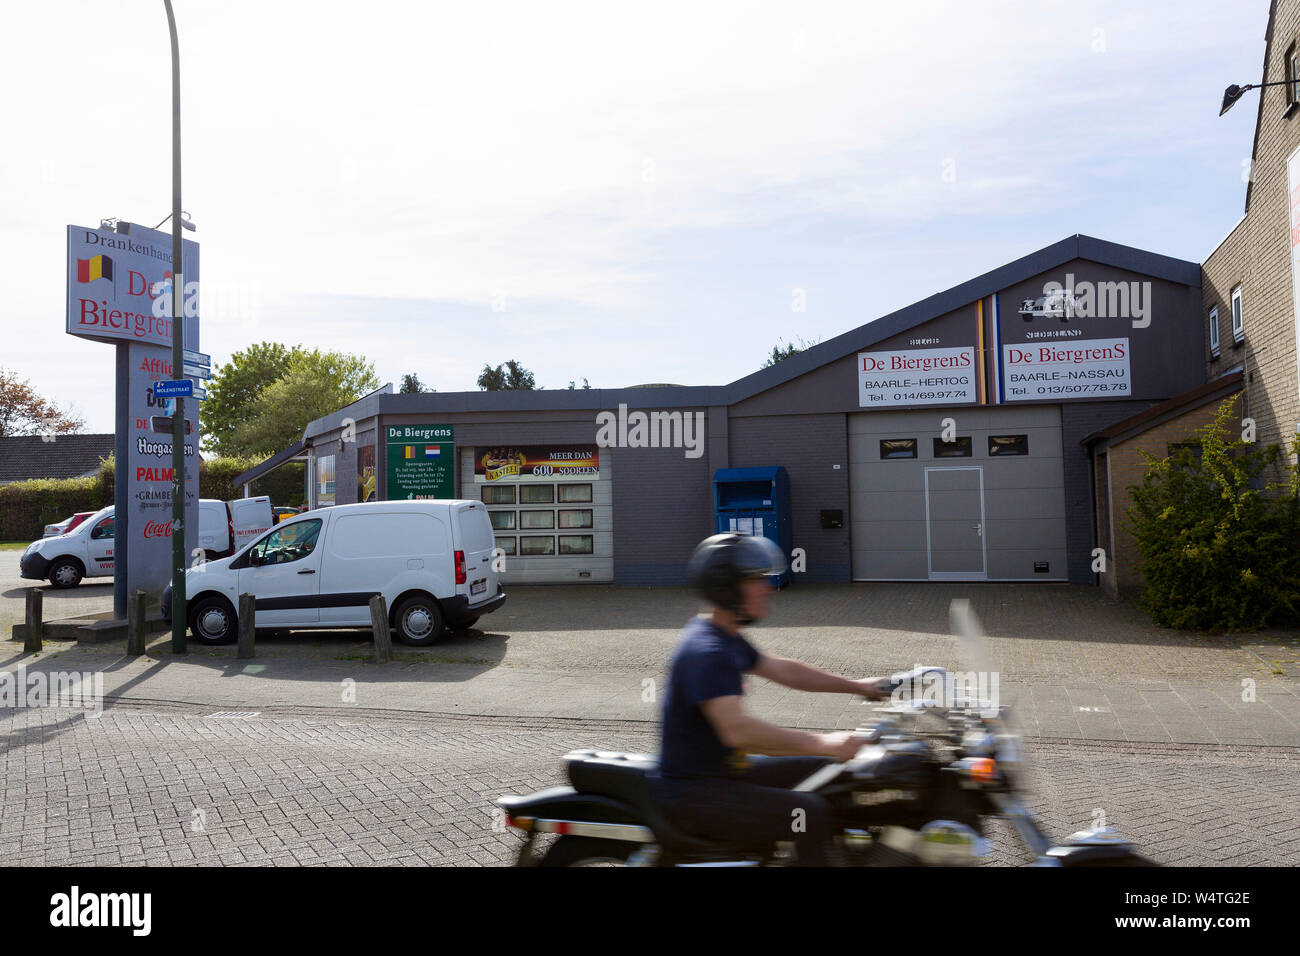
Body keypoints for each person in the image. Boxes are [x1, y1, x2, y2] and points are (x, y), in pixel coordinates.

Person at [649, 533, 891, 865]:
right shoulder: (706, 651)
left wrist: (860, 686)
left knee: (835, 773)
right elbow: (738, 731)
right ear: (727, 587)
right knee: (809, 814)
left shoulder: (727, 637)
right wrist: (823, 742)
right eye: (757, 579)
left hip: (726, 772)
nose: (769, 587)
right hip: (696, 792)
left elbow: (786, 671)